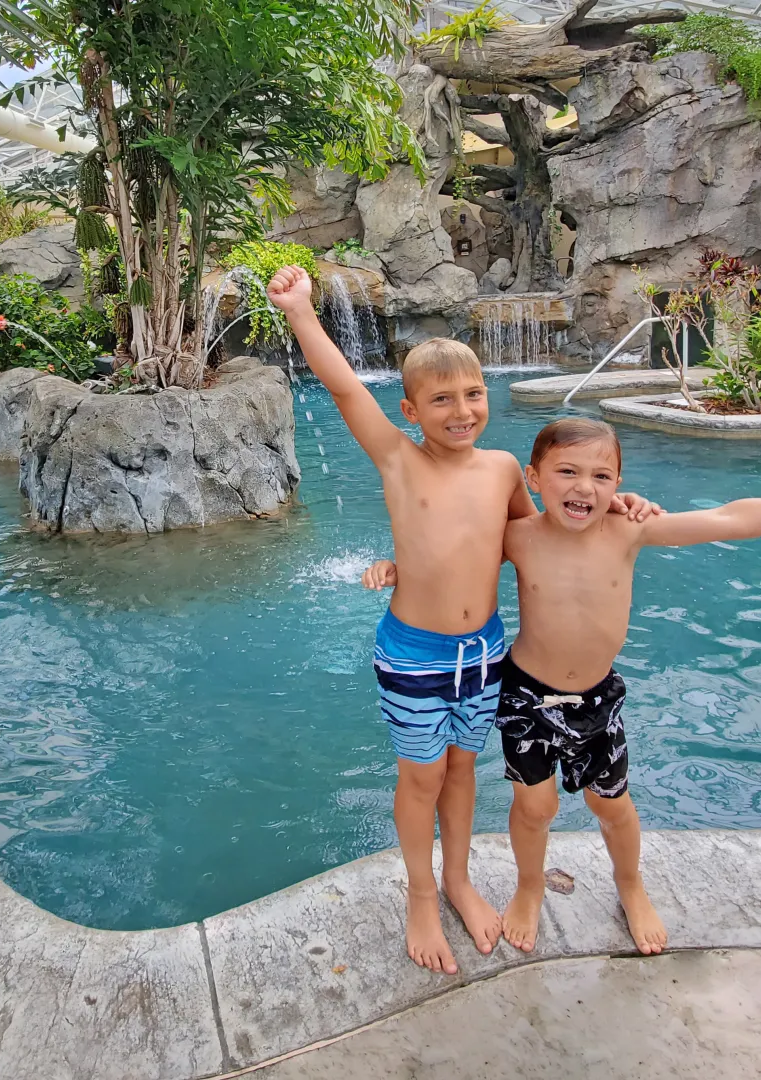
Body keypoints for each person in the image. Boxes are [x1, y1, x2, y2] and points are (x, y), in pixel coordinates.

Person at [362, 417, 761, 956]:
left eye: (601, 476)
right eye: (567, 472)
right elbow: (452, 553)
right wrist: (397, 566)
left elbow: (729, 519)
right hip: (525, 698)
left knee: (612, 806)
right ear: (534, 478)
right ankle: (528, 887)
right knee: (534, 807)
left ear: (618, 485)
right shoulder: (517, 537)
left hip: (596, 701)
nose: (584, 487)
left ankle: (630, 885)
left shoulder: (630, 529)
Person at [265, 266, 658, 976]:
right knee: (420, 777)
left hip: (482, 657)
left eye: (473, 394)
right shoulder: (397, 459)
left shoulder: (507, 468)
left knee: (463, 773)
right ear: (411, 410)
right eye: (441, 399)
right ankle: (421, 893)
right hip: (413, 653)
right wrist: (299, 312)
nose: (461, 410)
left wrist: (618, 509)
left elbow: (531, 540)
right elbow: (346, 386)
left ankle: (459, 878)